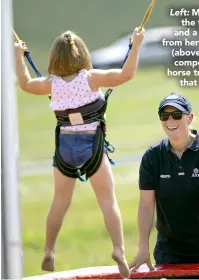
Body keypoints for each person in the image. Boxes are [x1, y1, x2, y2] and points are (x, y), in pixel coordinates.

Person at [15, 27, 145, 279]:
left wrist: (18, 56)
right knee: (107, 200)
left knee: (60, 201)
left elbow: (25, 84)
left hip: (65, 146)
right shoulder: (90, 78)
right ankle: (118, 249)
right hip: (92, 145)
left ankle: (49, 250)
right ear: (83, 56)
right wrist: (136, 45)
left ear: (54, 58)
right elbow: (126, 74)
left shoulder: (49, 85)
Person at [129, 93, 199, 272]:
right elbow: (146, 205)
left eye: (177, 115)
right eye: (165, 116)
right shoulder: (152, 156)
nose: (170, 120)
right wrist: (143, 248)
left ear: (190, 118)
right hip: (170, 251)